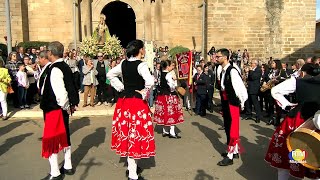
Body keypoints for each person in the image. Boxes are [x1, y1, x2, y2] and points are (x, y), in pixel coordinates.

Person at [107, 40, 155, 180]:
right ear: (140, 50)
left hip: (124, 103)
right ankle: (133, 175)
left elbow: (110, 75)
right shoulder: (142, 65)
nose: (145, 50)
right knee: (135, 135)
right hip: (136, 104)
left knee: (128, 134)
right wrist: (144, 92)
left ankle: (131, 167)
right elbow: (150, 81)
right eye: (144, 48)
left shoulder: (123, 63)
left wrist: (122, 87)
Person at [265, 63, 320, 180]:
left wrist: (287, 105)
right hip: (317, 122)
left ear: (303, 73)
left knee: (287, 152)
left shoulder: (297, 82)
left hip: (298, 120)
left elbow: (275, 90)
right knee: (315, 154)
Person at [40, 41, 79, 180]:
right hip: (61, 109)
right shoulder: (64, 66)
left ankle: (55, 172)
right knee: (64, 136)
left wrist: (66, 106)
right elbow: (72, 86)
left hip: (54, 109)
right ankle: (67, 166)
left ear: (50, 53)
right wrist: (71, 105)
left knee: (52, 139)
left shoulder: (55, 69)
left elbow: (61, 94)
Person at [215, 48, 248, 166]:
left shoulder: (232, 71)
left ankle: (230, 156)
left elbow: (240, 89)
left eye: (218, 56)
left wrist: (242, 103)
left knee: (232, 128)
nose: (216, 58)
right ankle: (234, 151)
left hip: (232, 103)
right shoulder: (221, 70)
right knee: (228, 127)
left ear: (224, 57)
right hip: (225, 101)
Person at [154, 60, 184, 138]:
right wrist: (174, 81)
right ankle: (172, 132)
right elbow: (172, 86)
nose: (172, 67)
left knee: (164, 113)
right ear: (168, 67)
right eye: (171, 66)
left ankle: (165, 131)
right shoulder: (168, 75)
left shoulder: (160, 74)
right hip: (169, 96)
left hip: (161, 96)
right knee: (171, 113)